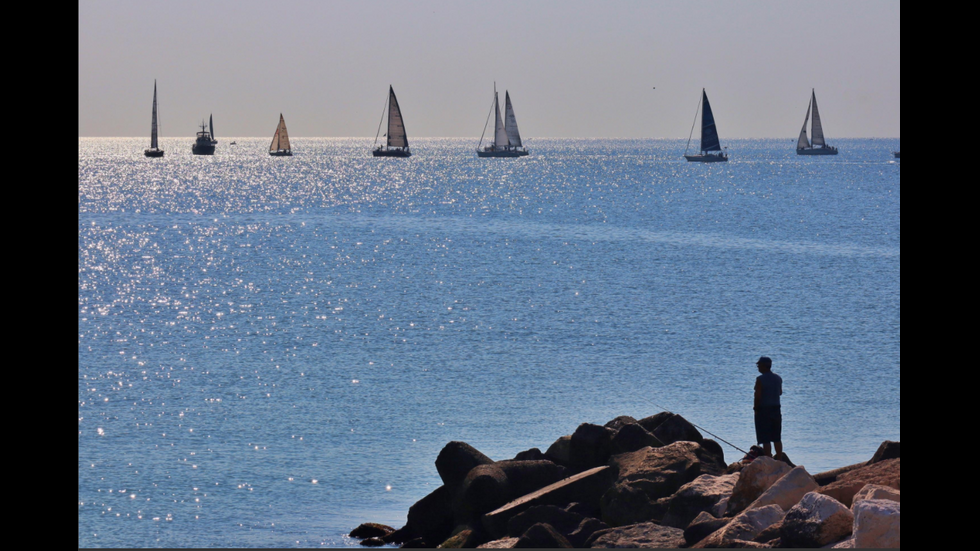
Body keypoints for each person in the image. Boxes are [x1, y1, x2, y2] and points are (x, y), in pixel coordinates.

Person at [753, 356, 783, 458]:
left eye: (759, 365)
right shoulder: (778, 378)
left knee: (765, 438)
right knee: (776, 437)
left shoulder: (760, 379)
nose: (758, 367)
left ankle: (768, 459)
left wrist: (756, 409)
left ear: (763, 366)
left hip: (764, 411)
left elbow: (757, 396)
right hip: (776, 409)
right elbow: (780, 392)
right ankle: (779, 459)